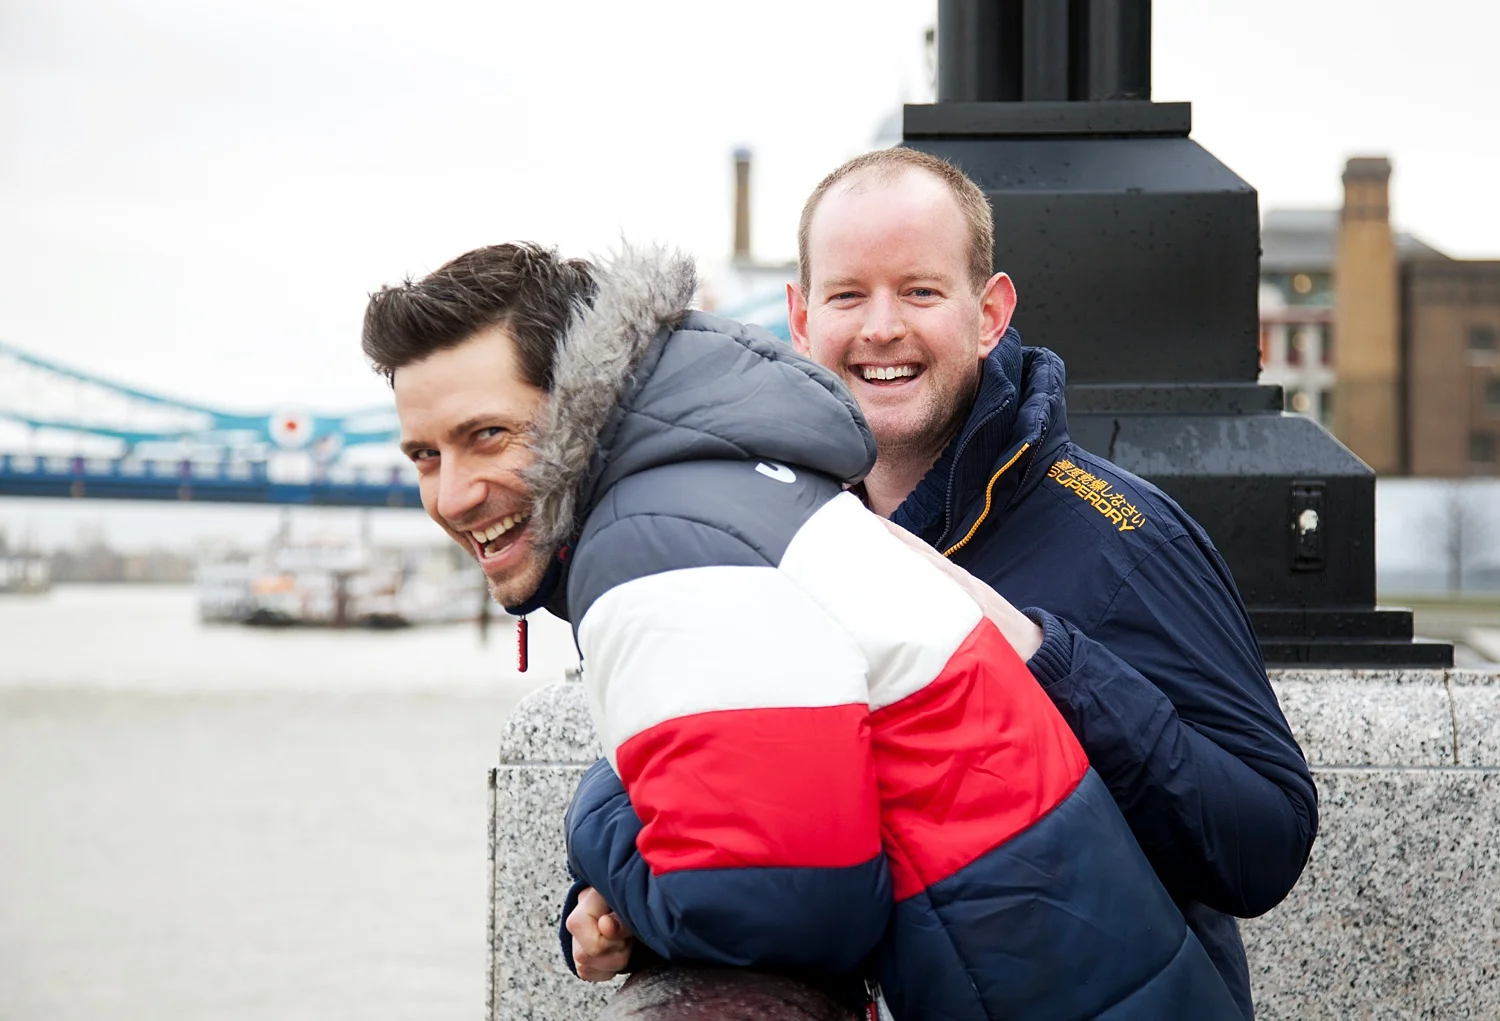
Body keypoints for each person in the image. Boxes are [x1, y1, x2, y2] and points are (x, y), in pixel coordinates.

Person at [364, 241, 1242, 1019]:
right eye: (425, 455)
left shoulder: (655, 540)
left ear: (578, 399)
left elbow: (784, 904)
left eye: (488, 435)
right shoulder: (720, 489)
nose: (451, 495)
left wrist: (599, 820)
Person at [568, 149, 1319, 1019]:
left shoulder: (1125, 535)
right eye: (849, 295)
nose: (881, 327)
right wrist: (602, 910)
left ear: (990, 313)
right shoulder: (758, 539)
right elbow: (709, 794)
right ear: (799, 318)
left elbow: (1264, 844)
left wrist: (1035, 650)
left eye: (920, 291)